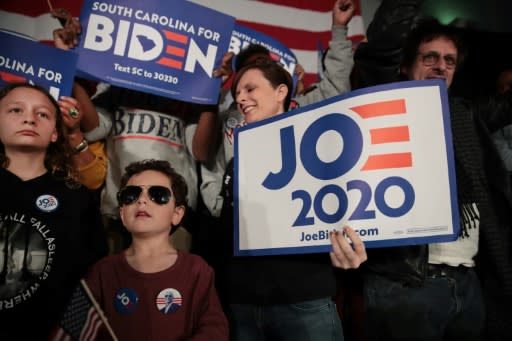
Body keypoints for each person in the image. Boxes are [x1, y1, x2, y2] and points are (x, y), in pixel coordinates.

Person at [354, 11, 512, 340]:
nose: (441, 66)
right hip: (406, 286)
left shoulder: (465, 114)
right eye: (430, 57)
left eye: (450, 61)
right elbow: (380, 48)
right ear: (404, 65)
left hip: (468, 283)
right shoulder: (381, 107)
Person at [216, 60, 366, 341]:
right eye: (236, 94)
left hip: (304, 301)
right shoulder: (237, 161)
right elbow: (227, 234)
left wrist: (350, 250)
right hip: (244, 306)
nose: (240, 98)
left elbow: (346, 217)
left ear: (281, 91)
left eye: (250, 88)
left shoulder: (322, 149)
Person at [200, 0, 356, 218]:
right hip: (244, 223)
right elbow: (210, 165)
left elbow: (336, 86)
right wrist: (222, 208)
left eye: (263, 64)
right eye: (246, 71)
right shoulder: (228, 118)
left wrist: (339, 29)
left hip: (299, 218)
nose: (243, 96)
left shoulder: (302, 108)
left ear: (280, 90)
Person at [0, 82, 108, 340]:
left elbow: (90, 279)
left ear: (55, 134)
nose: (29, 118)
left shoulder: (76, 199)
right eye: (16, 110)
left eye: (43, 114)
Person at [85, 159, 228, 341]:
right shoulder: (102, 272)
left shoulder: (196, 270)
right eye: (131, 195)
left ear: (177, 214)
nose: (142, 201)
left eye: (158, 195)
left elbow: (214, 329)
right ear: (122, 213)